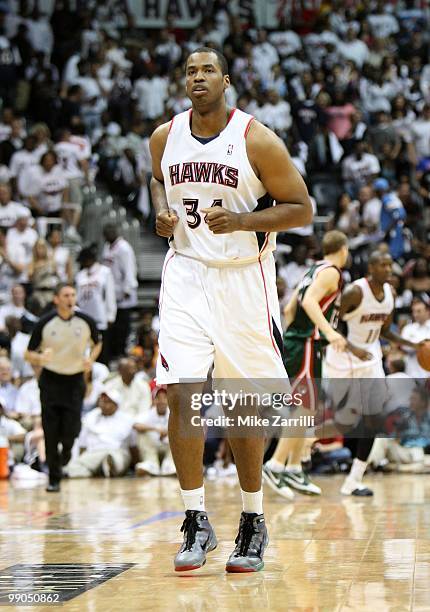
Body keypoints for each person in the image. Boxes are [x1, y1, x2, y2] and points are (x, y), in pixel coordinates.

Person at [150, 47, 312, 573]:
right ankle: (196, 519)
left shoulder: (256, 138)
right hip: (187, 272)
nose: (198, 78)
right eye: (190, 71)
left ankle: (252, 518)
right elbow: (158, 179)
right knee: (183, 395)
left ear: (226, 79)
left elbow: (302, 208)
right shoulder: (163, 136)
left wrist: (243, 222)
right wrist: (161, 212)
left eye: (207, 71)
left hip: (245, 277)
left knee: (243, 401)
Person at [263, 231, 364, 499]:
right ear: (343, 249)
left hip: (304, 343)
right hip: (307, 344)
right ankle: (275, 465)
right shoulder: (331, 272)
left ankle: (294, 467)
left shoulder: (313, 269)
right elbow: (308, 302)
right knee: (303, 408)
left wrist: (297, 333)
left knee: (308, 408)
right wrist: (328, 333)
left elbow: (289, 309)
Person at [325, 250, 423, 496]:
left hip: (370, 359)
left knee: (374, 419)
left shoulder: (390, 293)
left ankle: (354, 480)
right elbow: (332, 325)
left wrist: (414, 345)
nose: (389, 269)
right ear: (371, 268)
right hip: (343, 358)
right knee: (340, 421)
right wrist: (352, 347)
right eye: (383, 264)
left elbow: (385, 331)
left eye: (391, 264)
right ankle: (293, 455)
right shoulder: (354, 292)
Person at [25, 283, 101, 492]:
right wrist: (41, 357)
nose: (70, 298)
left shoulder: (86, 321)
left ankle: (66, 452)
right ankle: (54, 478)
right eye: (66, 295)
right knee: (50, 431)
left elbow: (98, 343)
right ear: (56, 299)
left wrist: (90, 359)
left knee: (72, 428)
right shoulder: (45, 322)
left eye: (73, 295)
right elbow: (28, 353)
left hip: (75, 379)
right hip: (50, 381)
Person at [65, 388, 138, 479]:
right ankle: (97, 470)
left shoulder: (127, 419)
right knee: (74, 467)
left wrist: (135, 466)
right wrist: (83, 458)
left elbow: (133, 447)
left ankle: (107, 467)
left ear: (116, 405)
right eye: (102, 401)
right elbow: (82, 445)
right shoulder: (90, 417)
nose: (103, 404)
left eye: (108, 402)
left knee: (116, 460)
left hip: (116, 453)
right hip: (94, 453)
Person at [102, 223, 138, 360]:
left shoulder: (124, 248)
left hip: (123, 293)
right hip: (112, 292)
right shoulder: (107, 247)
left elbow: (130, 269)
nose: (107, 236)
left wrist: (127, 289)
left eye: (110, 233)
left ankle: (121, 352)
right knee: (113, 326)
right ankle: (114, 352)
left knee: (123, 325)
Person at [75, 244, 116, 364]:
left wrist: (110, 315)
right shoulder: (80, 275)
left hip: (100, 318)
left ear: (89, 259)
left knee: (101, 351)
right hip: (84, 317)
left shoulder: (105, 272)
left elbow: (110, 295)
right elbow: (77, 298)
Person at [401, 298, 430, 378]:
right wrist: (421, 344)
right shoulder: (408, 328)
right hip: (412, 372)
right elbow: (404, 346)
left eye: (419, 311)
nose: (415, 314)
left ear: (428, 311)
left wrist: (417, 345)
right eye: (414, 311)